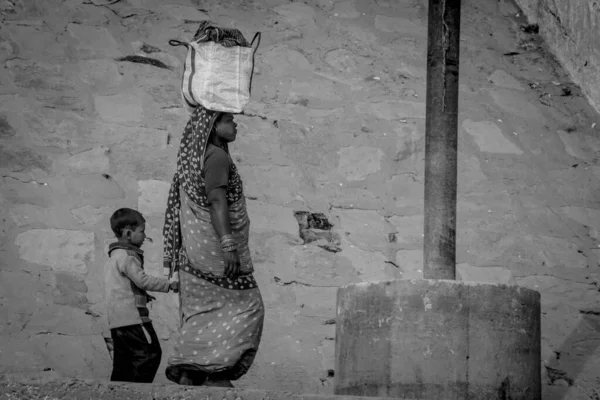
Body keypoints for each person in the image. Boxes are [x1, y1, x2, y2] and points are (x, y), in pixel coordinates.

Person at [162, 106, 264, 388]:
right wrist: (228, 245)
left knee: (204, 314)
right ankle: (216, 373)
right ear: (213, 126)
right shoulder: (217, 156)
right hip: (214, 253)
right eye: (229, 121)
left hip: (194, 256)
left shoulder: (200, 157)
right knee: (249, 307)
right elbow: (217, 201)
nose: (235, 125)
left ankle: (191, 373)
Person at [104, 208, 179, 383]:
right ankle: (139, 393)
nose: (144, 236)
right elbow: (142, 280)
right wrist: (170, 284)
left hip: (117, 323)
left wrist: (143, 295)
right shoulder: (128, 257)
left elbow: (123, 286)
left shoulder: (114, 257)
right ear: (128, 234)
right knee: (150, 354)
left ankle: (117, 394)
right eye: (142, 231)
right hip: (134, 321)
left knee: (123, 363)